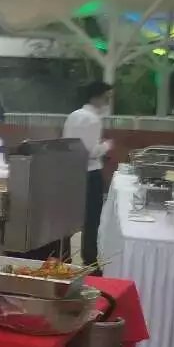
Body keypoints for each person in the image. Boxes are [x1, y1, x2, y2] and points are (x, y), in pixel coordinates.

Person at [63, 81, 114, 274]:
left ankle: (64, 257)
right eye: (106, 97)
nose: (107, 101)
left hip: (72, 172)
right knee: (92, 220)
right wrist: (107, 146)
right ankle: (90, 260)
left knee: (69, 218)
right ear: (96, 97)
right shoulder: (93, 119)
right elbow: (91, 151)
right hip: (91, 173)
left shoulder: (73, 116)